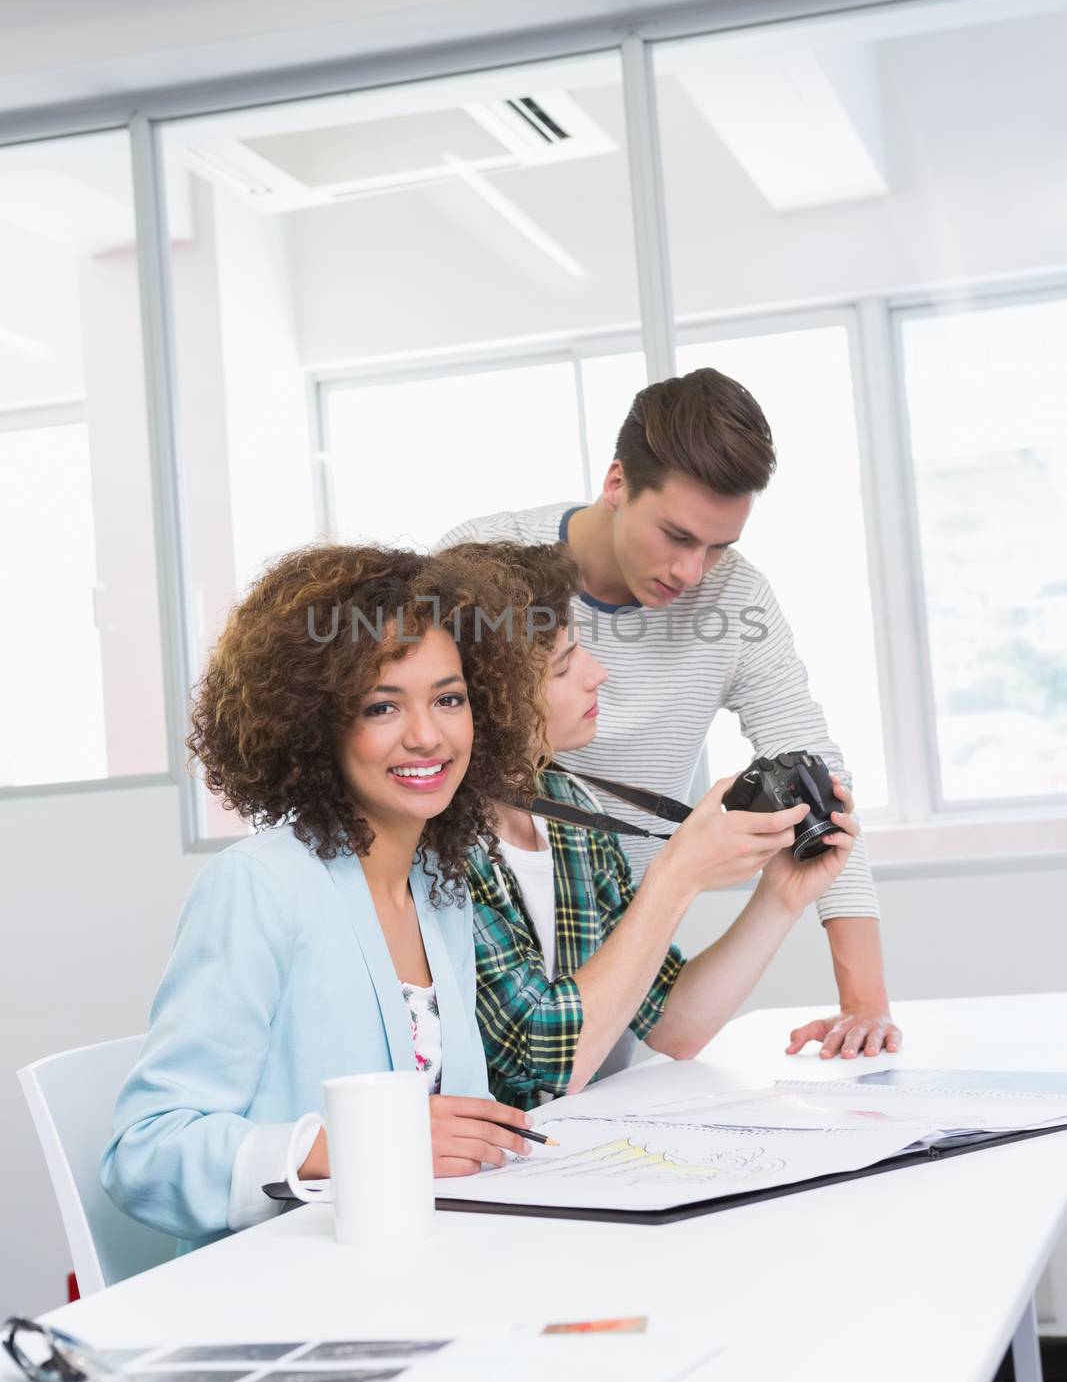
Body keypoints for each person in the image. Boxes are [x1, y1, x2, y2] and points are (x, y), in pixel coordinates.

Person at [437, 368, 900, 1062]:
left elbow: (818, 773)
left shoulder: (734, 597)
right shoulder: (493, 566)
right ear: (617, 483)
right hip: (484, 918)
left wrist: (861, 1004)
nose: (692, 571)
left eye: (717, 546)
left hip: (625, 925)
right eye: (676, 535)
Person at [101, 544, 540, 1246]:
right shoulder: (259, 887)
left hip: (422, 1263)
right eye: (381, 706)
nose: (427, 735)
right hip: (288, 1292)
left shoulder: (438, 887)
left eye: (449, 699)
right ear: (316, 723)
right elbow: (146, 1155)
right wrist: (358, 1145)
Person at [457, 542, 860, 1109]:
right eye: (564, 665)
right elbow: (542, 1066)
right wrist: (677, 876)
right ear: (491, 700)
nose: (598, 674)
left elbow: (674, 1026)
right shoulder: (440, 840)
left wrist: (781, 896)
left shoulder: (567, 806)